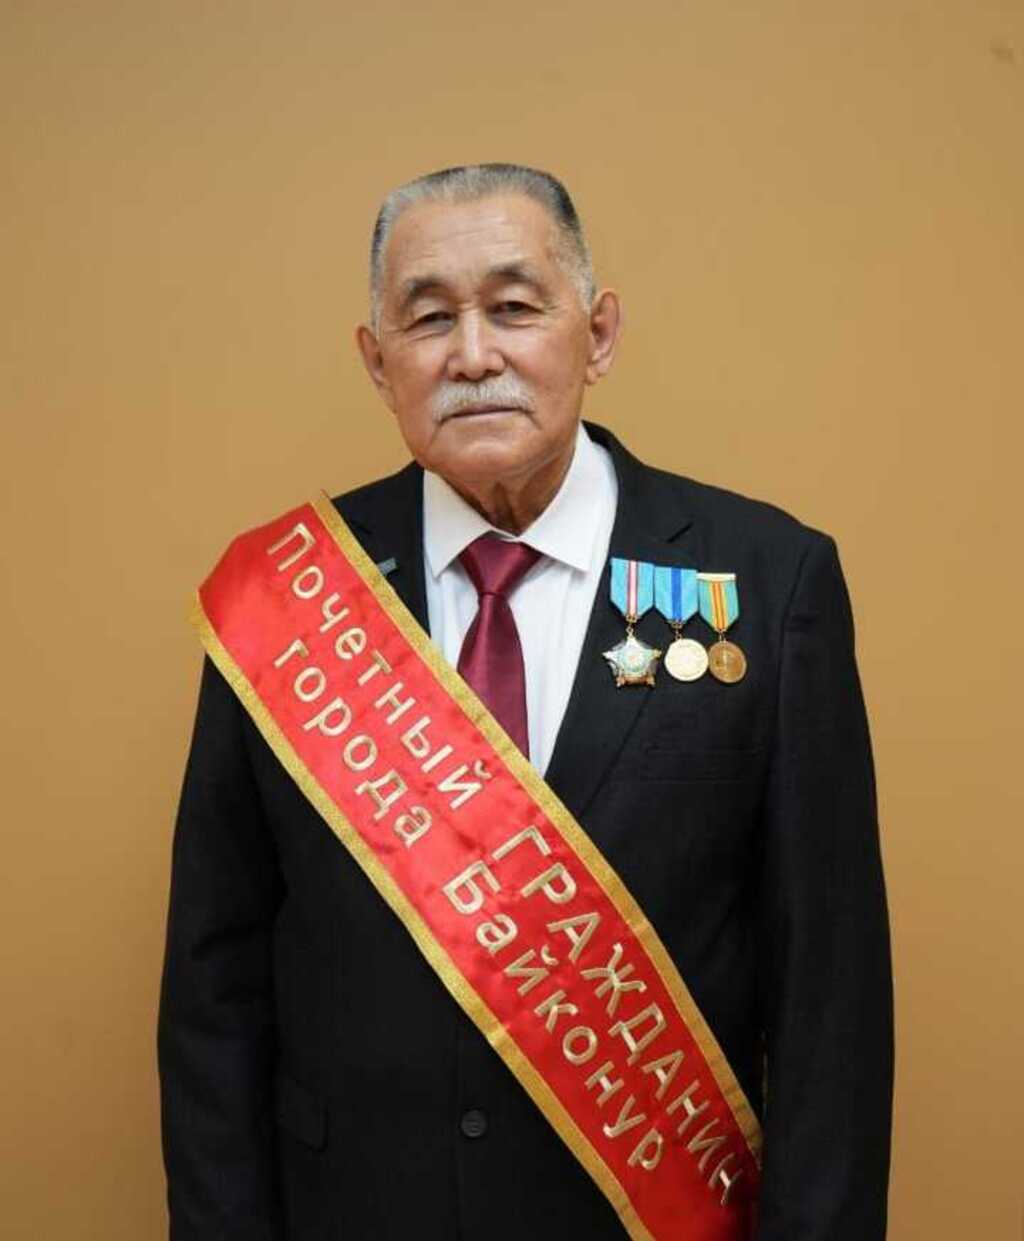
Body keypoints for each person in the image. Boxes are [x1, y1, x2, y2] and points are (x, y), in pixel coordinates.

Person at [158, 163, 893, 1241]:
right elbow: (213, 989)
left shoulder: (766, 580)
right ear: (377, 362)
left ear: (598, 334)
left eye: (513, 307)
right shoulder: (283, 597)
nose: (472, 355)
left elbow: (830, 997)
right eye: (428, 319)